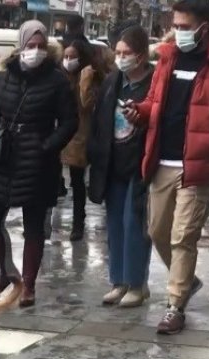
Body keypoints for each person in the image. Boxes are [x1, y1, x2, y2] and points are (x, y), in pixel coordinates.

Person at [123, 0, 209, 334]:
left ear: (204, 27)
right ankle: (187, 280)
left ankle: (174, 306)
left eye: (184, 27)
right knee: (157, 231)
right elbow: (154, 102)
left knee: (183, 236)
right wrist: (139, 112)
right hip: (162, 160)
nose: (178, 32)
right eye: (175, 25)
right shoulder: (168, 57)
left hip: (198, 165)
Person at [0, 20, 77, 307]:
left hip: (38, 162)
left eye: (40, 46)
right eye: (30, 45)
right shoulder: (3, 78)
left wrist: (48, 146)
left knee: (34, 226)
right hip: (5, 158)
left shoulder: (57, 81)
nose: (35, 51)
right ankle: (6, 272)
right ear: (21, 46)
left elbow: (70, 121)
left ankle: (29, 285)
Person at [88, 25, 154, 308]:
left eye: (127, 53)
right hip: (112, 161)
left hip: (140, 163)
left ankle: (136, 283)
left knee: (134, 223)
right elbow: (98, 119)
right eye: (118, 52)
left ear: (141, 55)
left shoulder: (154, 82)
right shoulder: (112, 81)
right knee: (114, 224)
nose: (121, 58)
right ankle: (119, 281)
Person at [60, 38, 108, 241]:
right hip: (64, 134)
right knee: (63, 181)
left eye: (72, 57)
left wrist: (85, 79)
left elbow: (86, 103)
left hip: (82, 136)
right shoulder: (62, 76)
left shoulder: (91, 78)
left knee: (78, 182)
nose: (68, 60)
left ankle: (78, 222)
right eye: (65, 56)